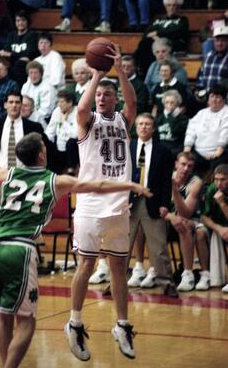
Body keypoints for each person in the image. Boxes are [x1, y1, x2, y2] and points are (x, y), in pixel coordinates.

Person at [0, 131, 150, 367]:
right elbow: (97, 184)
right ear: (41, 155)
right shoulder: (56, 180)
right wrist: (129, 184)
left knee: (4, 317)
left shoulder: (7, 174)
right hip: (20, 249)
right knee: (27, 322)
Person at [65, 43, 144, 361]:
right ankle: (75, 322)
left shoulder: (122, 123)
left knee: (118, 267)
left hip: (118, 206)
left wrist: (121, 72)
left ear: (114, 98)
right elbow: (82, 109)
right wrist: (97, 74)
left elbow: (134, 103)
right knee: (85, 264)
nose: (101, 97)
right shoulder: (87, 122)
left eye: (106, 94)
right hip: (89, 205)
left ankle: (122, 325)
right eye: (99, 94)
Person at [127, 113, 178, 297]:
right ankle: (114, 283)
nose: (143, 127)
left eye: (147, 124)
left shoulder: (163, 151)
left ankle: (167, 282)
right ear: (136, 127)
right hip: (129, 202)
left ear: (154, 128)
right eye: (140, 123)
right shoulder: (128, 146)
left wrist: (165, 203)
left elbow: (166, 180)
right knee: (122, 245)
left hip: (153, 202)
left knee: (159, 247)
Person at [164, 152, 210, 291]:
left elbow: (186, 213)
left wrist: (175, 190)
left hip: (193, 220)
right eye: (183, 164)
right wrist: (172, 217)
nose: (185, 169)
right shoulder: (165, 177)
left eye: (189, 166)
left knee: (198, 231)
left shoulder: (195, 182)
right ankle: (152, 270)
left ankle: (194, 274)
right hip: (169, 219)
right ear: (176, 164)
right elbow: (158, 207)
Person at [133, 0, 189, 79]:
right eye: (169, 5)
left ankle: (144, 73)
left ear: (178, 7)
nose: (171, 8)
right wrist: (158, 38)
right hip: (155, 44)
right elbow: (147, 33)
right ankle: (140, 71)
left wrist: (157, 33)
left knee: (148, 44)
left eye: (174, 5)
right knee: (144, 44)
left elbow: (175, 31)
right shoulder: (158, 20)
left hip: (173, 45)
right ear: (165, 7)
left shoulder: (182, 20)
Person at [184, 84, 228, 175]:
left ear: (224, 100)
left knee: (217, 165)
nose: (214, 100)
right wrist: (187, 148)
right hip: (198, 153)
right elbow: (191, 130)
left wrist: (218, 152)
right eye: (212, 96)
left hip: (218, 153)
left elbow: (225, 132)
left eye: (218, 97)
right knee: (185, 160)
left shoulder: (226, 113)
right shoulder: (201, 113)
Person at [201, 164, 228, 292]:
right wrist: (219, 228)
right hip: (220, 227)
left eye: (223, 179)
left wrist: (222, 203)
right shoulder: (212, 189)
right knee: (205, 233)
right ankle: (214, 278)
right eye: (216, 179)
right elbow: (204, 217)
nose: (219, 183)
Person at [0, 10, 39, 88]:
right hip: (13, 67)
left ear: (27, 22)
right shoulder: (11, 35)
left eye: (23, 20)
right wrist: (18, 56)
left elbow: (29, 55)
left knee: (19, 64)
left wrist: (11, 55)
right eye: (18, 20)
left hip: (26, 67)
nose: (20, 23)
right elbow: (5, 52)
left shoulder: (32, 35)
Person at [45, 90, 79, 174]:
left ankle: (72, 169)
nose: (59, 104)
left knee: (71, 142)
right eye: (58, 102)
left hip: (73, 149)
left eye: (62, 102)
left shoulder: (78, 112)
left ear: (70, 102)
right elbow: (50, 131)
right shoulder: (57, 111)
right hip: (59, 148)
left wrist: (64, 122)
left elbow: (76, 134)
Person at [195, 25, 228, 112]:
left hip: (224, 102)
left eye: (223, 40)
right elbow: (201, 76)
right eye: (217, 40)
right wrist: (198, 90)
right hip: (207, 100)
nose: (219, 43)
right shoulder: (209, 56)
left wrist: (218, 100)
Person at [21, 60, 57, 128]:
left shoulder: (48, 88)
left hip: (43, 120)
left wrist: (30, 115)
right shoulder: (25, 86)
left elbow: (46, 112)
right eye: (31, 73)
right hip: (27, 115)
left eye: (36, 73)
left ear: (41, 74)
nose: (33, 76)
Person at [156, 90, 189, 158]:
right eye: (167, 102)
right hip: (160, 146)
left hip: (175, 148)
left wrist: (171, 116)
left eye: (172, 102)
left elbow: (175, 131)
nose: (169, 105)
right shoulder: (159, 117)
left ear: (177, 104)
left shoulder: (183, 119)